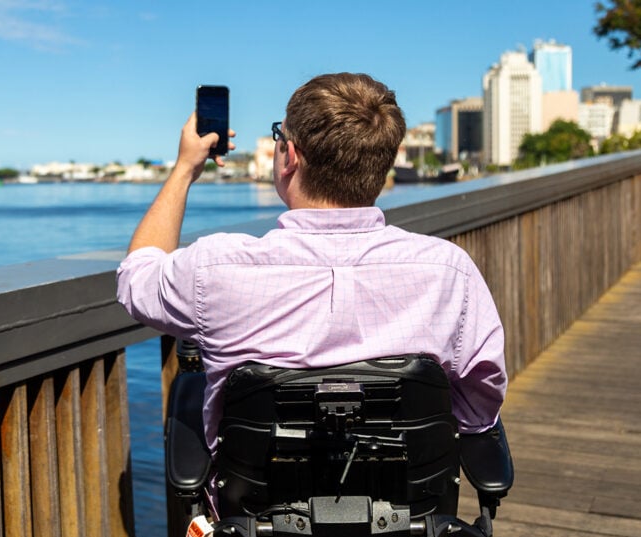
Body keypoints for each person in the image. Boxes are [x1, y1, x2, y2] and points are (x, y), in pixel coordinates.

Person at [116, 73, 506, 454]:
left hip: (255, 514)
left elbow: (137, 278)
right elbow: (481, 398)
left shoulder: (215, 268)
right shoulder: (448, 271)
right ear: (382, 164)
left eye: (279, 137)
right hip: (411, 512)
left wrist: (185, 170)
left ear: (291, 157)